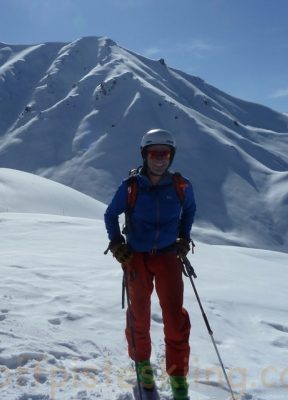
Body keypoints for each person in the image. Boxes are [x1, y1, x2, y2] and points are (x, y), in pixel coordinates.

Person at [104, 129, 196, 400]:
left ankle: (178, 378)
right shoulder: (131, 186)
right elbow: (110, 214)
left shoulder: (181, 186)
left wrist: (184, 236)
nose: (159, 159)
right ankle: (143, 365)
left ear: (171, 156)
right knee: (139, 314)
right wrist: (116, 242)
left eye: (164, 153)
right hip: (136, 257)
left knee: (175, 318)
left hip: (168, 256)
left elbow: (189, 210)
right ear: (145, 155)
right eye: (154, 153)